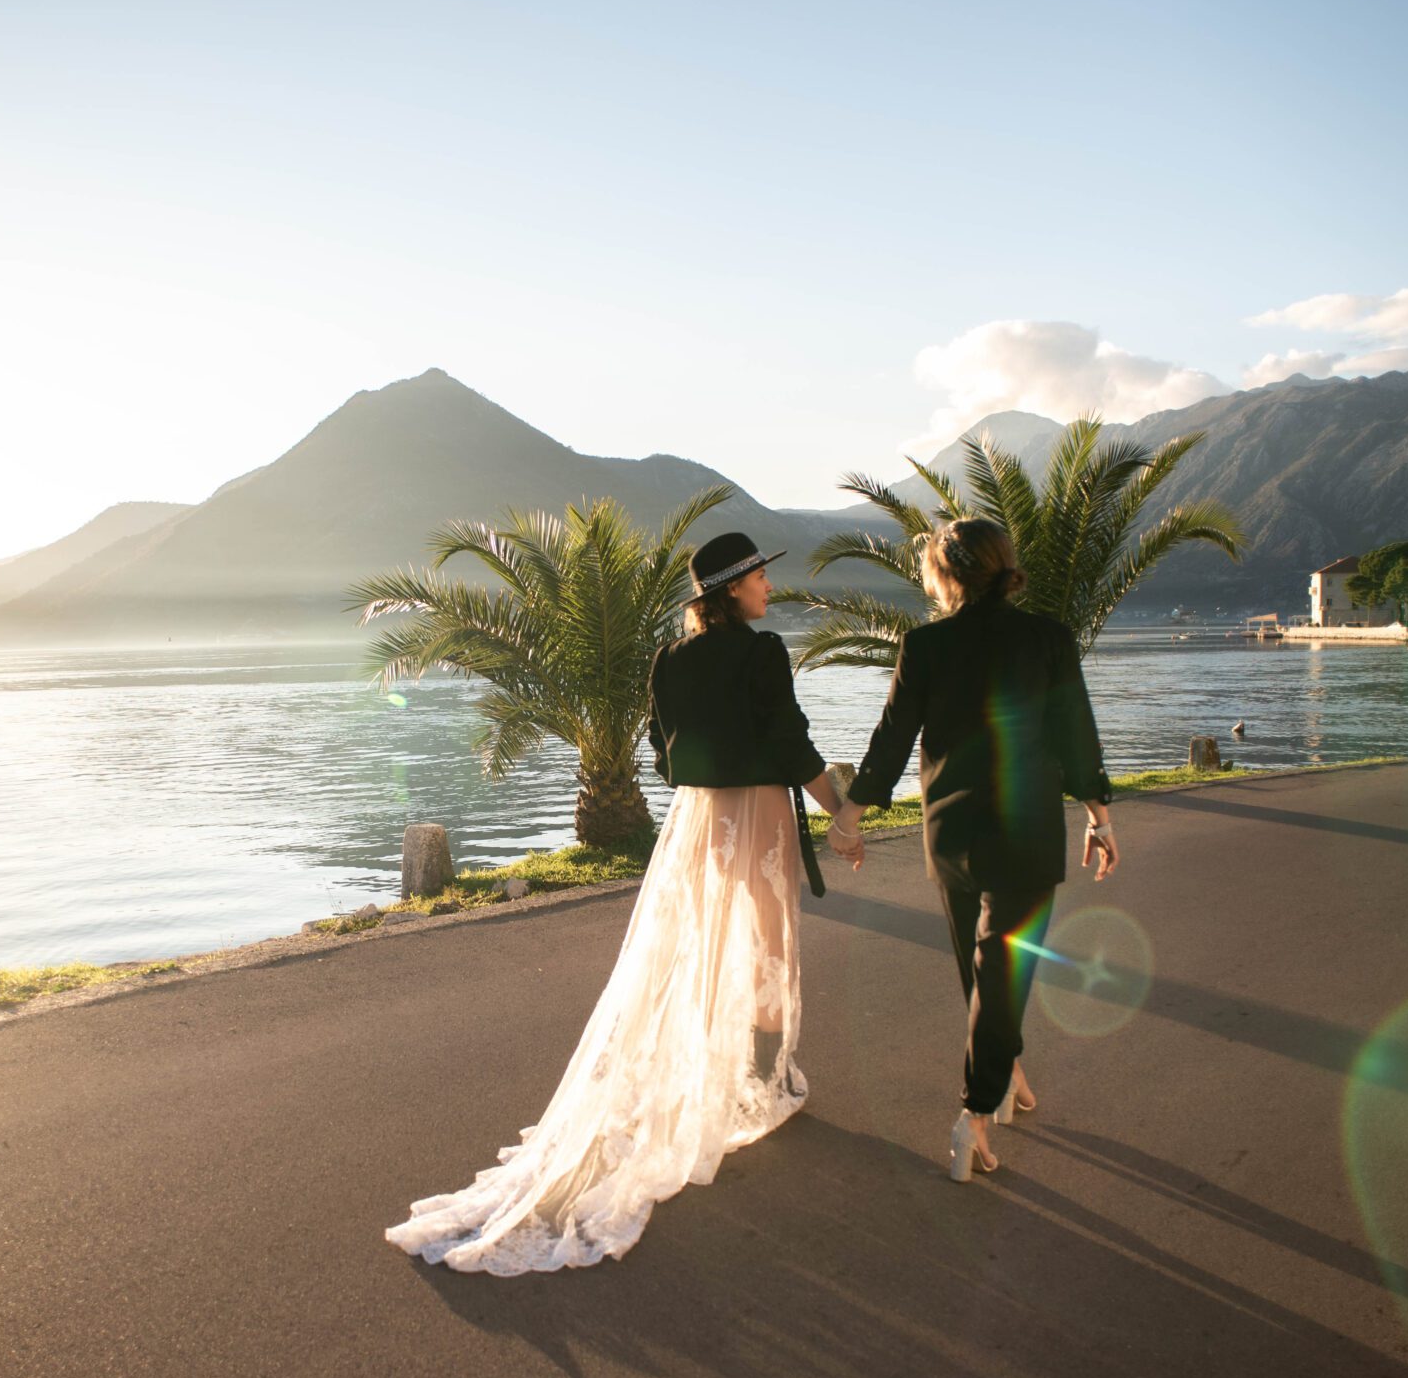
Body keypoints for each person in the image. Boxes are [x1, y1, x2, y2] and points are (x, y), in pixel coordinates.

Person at [385, 531, 860, 1274]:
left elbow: (664, 753)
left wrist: (709, 772)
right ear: (735, 587)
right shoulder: (764, 652)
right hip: (759, 809)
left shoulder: (669, 658)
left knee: (700, 943)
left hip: (698, 817)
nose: (771, 586)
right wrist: (839, 810)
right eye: (762, 577)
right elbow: (790, 739)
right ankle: (756, 1082)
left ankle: (720, 1079)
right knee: (764, 940)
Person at [829, 517, 1118, 1183]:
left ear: (944, 573)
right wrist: (1099, 818)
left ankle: (1003, 1071)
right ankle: (977, 1113)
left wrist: (849, 817)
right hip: (1026, 829)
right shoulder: (1047, 638)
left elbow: (891, 739)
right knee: (1002, 968)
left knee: (982, 969)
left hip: (951, 830)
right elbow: (1076, 736)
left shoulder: (925, 644)